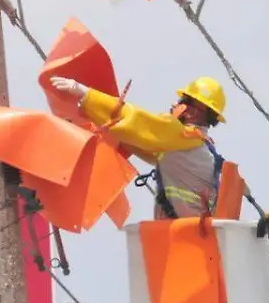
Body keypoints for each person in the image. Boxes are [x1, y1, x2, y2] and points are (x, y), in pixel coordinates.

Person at [48, 75, 228, 220]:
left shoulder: (183, 136)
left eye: (183, 99)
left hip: (189, 239)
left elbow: (138, 123)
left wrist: (86, 94)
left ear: (194, 110)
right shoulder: (196, 144)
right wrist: (94, 116)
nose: (175, 104)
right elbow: (138, 141)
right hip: (190, 236)